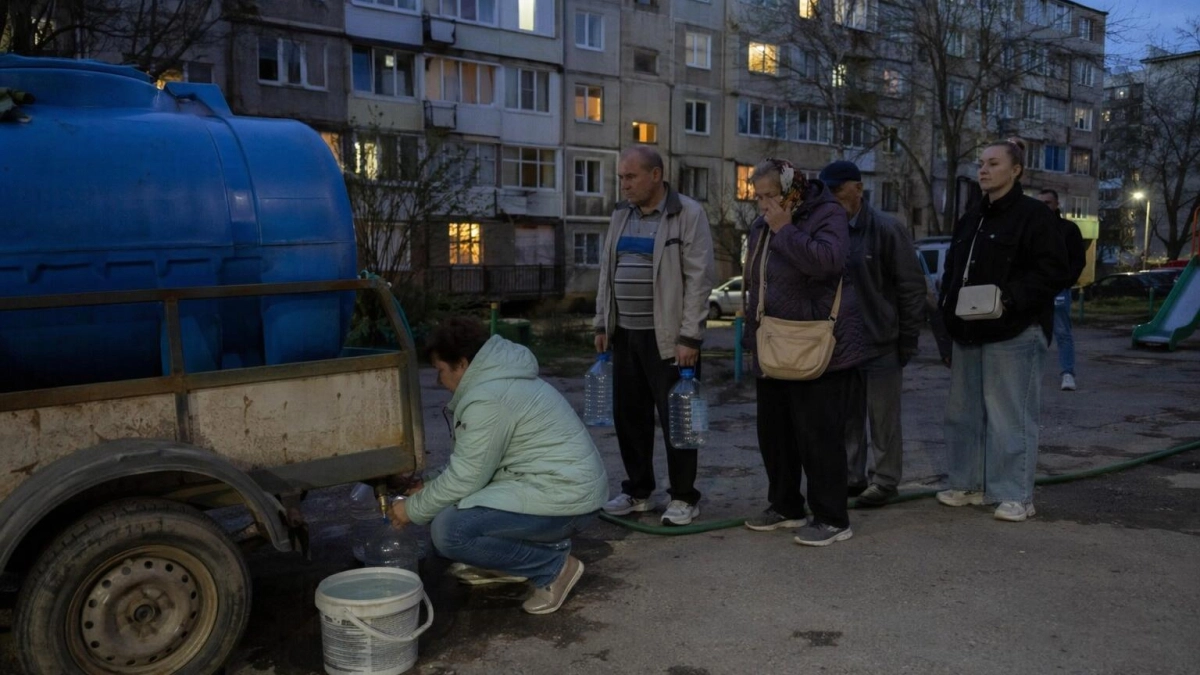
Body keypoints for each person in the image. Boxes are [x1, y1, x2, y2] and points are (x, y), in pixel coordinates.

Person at [389, 317, 608, 614]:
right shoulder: (498, 384)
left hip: (567, 501)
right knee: (445, 506)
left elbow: (466, 478)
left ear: (462, 364)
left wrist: (411, 510)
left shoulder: (489, 398)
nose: (439, 381)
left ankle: (552, 568)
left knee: (449, 531)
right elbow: (473, 462)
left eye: (440, 371)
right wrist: (426, 485)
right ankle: (511, 560)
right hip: (557, 491)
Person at [937, 139, 1069, 522]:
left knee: (1010, 415)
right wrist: (947, 314)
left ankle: (1015, 495)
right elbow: (952, 270)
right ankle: (969, 484)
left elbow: (1053, 271)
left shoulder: (1033, 216)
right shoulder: (971, 218)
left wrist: (1009, 299)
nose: (983, 169)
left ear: (1016, 170)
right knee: (963, 414)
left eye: (993, 163)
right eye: (981, 163)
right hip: (967, 331)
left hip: (1014, 331)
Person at [741, 158, 867, 545]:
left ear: (791, 190)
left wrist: (785, 230)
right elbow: (757, 282)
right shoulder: (762, 224)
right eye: (758, 197)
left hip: (816, 345)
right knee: (775, 433)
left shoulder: (827, 213)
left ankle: (832, 518)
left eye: (770, 196)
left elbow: (828, 263)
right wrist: (752, 338)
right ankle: (785, 506)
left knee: (819, 436)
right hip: (773, 343)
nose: (764, 204)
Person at [594, 146, 716, 526]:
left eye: (631, 177)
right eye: (621, 178)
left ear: (656, 175)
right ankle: (638, 491)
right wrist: (602, 323)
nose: (624, 185)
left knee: (680, 419)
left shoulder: (687, 214)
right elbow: (606, 271)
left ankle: (683, 497)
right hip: (625, 335)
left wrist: (690, 336)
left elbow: (699, 278)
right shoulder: (621, 214)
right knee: (630, 418)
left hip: (669, 339)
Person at [819, 160, 927, 508]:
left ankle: (884, 480)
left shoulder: (886, 229)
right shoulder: (828, 231)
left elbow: (911, 287)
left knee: (883, 420)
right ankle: (853, 477)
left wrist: (907, 340)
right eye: (828, 195)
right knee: (848, 417)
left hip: (880, 341)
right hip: (842, 345)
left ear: (858, 189)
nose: (833, 201)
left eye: (838, 193)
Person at [1035, 188, 1086, 392]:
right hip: (1035, 290)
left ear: (1057, 205)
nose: (1044, 207)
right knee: (1031, 334)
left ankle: (1067, 373)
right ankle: (1030, 374)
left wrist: (1066, 282)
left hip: (1058, 290)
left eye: (1048, 203)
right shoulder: (1031, 229)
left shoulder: (1068, 229)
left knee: (1063, 332)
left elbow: (1078, 260)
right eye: (1040, 203)